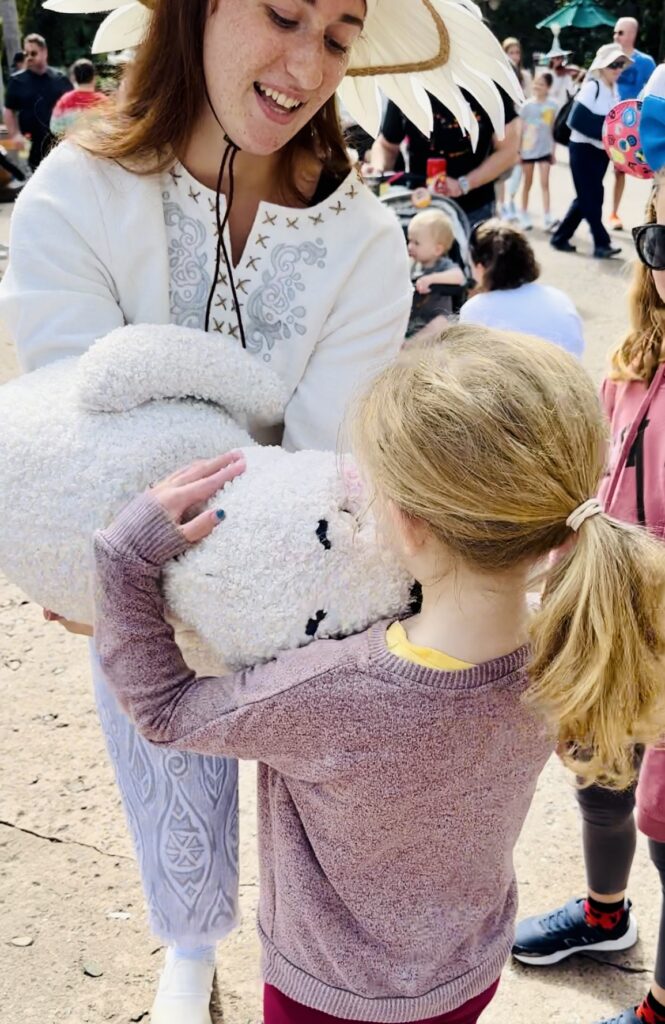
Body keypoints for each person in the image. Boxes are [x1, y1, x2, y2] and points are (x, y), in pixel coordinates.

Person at [0, 0, 518, 1020]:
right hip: (139, 566)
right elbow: (74, 432)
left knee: (324, 789)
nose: (307, 63)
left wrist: (146, 572)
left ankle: (324, 965)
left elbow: (329, 457)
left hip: (308, 586)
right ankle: (187, 946)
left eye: (336, 34)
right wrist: (113, 572)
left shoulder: (365, 238)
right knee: (157, 730)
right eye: (282, 14)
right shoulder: (77, 189)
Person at [91, 323, 665, 1024]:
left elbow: (165, 711)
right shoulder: (568, 647)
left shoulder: (329, 689)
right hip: (467, 970)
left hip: (327, 995)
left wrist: (123, 563)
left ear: (410, 525)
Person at [513, 179, 665, 1024]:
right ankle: (604, 918)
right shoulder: (628, 367)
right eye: (661, 245)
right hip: (609, 621)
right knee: (599, 777)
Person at [368, 89, 520, 228]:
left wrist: (464, 184)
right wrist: (377, 170)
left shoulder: (485, 84)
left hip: (474, 208)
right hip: (421, 205)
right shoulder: (406, 86)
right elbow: (386, 145)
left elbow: (509, 151)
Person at [551, 43, 630, 260]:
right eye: (614, 64)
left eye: (620, 64)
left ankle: (560, 237)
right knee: (591, 197)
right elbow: (575, 120)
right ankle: (601, 243)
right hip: (582, 150)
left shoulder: (615, 90)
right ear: (602, 66)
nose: (618, 68)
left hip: (600, 153)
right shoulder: (592, 87)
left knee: (589, 196)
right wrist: (607, 131)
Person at [459, 219, 584, 355]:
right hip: (569, 374)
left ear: (481, 268)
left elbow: (467, 363)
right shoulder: (559, 298)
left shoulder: (476, 309)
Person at [609, 17, 656, 231]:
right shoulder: (608, 56)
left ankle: (652, 214)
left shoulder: (646, 63)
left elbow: (653, 93)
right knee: (616, 170)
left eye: (620, 32)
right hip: (612, 126)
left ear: (632, 34)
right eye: (615, 32)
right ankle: (613, 212)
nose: (616, 36)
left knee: (652, 170)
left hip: (638, 126)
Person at [3, 33, 72, 171]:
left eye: (33, 53)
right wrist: (15, 134)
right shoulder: (17, 81)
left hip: (61, 146)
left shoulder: (60, 79)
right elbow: (9, 110)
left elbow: (73, 107)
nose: (29, 57)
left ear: (44, 52)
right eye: (26, 53)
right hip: (33, 148)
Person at [406, 209, 465, 343]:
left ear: (437, 249)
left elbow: (459, 277)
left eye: (416, 243)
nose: (410, 246)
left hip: (437, 318)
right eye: (409, 241)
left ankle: (411, 344)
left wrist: (431, 279)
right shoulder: (413, 264)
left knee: (442, 322)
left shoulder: (443, 265)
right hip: (414, 318)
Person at [518, 71, 557, 230]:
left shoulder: (553, 106)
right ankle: (523, 213)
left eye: (541, 84)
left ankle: (547, 216)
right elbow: (519, 130)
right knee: (527, 182)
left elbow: (553, 130)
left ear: (548, 87)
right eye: (536, 83)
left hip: (545, 149)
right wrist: (518, 151)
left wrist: (553, 152)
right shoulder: (526, 106)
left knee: (545, 183)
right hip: (527, 149)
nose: (537, 86)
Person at [50, 58, 107, 137]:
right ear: (94, 77)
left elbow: (55, 128)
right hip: (97, 147)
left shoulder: (64, 100)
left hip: (71, 146)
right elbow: (112, 127)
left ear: (74, 78)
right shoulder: (103, 101)